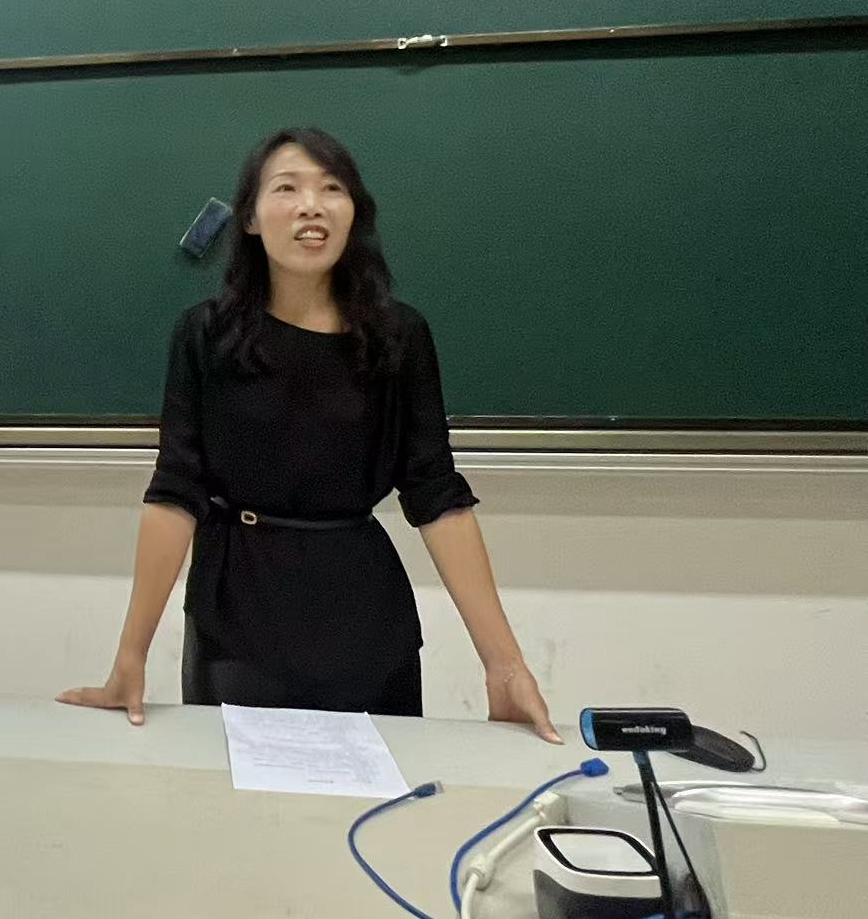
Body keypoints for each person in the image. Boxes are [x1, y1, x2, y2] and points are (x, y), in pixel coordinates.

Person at [59, 127, 560, 740]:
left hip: (366, 621)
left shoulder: (399, 338)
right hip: (238, 618)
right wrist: (129, 658)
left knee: (382, 789)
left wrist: (504, 665)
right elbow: (175, 493)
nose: (311, 206)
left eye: (331, 188)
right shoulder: (205, 337)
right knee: (240, 792)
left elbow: (437, 497)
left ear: (354, 212)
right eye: (287, 189)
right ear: (249, 218)